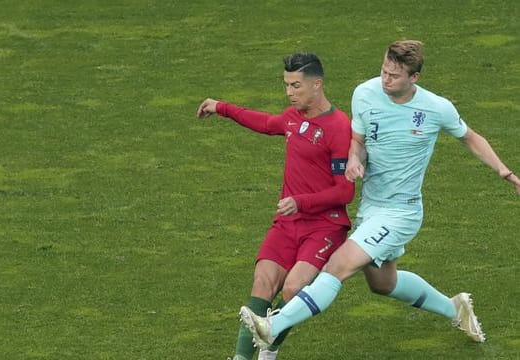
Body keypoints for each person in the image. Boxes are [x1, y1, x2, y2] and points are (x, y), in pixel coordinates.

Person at [240, 40, 520, 350]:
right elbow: (357, 141)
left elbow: (470, 138)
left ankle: (272, 325)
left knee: (339, 264)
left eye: (395, 76)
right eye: (384, 71)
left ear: (414, 77)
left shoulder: (436, 108)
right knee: (383, 284)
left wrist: (504, 171)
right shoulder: (365, 93)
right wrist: (355, 158)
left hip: (401, 212)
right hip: (371, 207)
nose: (386, 79)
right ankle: (455, 308)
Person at [196, 52, 354, 360]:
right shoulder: (293, 117)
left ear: (317, 84)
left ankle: (268, 354)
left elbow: (345, 191)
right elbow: (267, 123)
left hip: (325, 226)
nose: (289, 93)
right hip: (287, 224)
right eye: (286, 85)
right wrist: (222, 107)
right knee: (263, 281)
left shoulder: (338, 126)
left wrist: (300, 202)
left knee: (293, 289)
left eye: (296, 86)